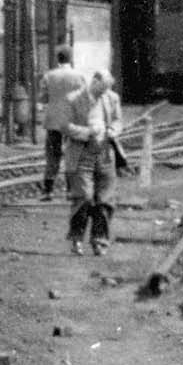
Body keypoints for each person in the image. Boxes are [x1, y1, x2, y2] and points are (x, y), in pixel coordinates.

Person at [64, 70, 123, 255]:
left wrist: (113, 129)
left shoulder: (111, 98)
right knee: (84, 197)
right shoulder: (73, 99)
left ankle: (99, 241)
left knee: (105, 200)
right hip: (82, 154)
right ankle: (76, 239)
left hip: (105, 154)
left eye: (107, 90)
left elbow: (117, 119)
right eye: (102, 89)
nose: (104, 93)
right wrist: (88, 132)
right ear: (94, 81)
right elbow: (65, 126)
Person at [39, 46, 88, 200]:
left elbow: (44, 98)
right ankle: (70, 190)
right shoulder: (79, 76)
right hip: (72, 121)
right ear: (70, 58)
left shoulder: (49, 76)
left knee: (52, 155)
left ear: (57, 59)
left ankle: (48, 191)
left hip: (53, 121)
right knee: (72, 154)